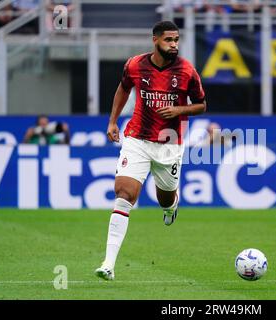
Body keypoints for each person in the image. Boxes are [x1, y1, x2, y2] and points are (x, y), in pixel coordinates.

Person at [95, 21, 207, 281]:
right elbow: (124, 88)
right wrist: (112, 121)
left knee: (165, 198)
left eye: (177, 40)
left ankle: (171, 207)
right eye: (169, 40)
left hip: (170, 143)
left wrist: (179, 110)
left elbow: (201, 104)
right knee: (124, 193)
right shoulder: (135, 65)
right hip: (137, 139)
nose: (174, 45)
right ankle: (109, 263)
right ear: (155, 40)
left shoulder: (187, 70)